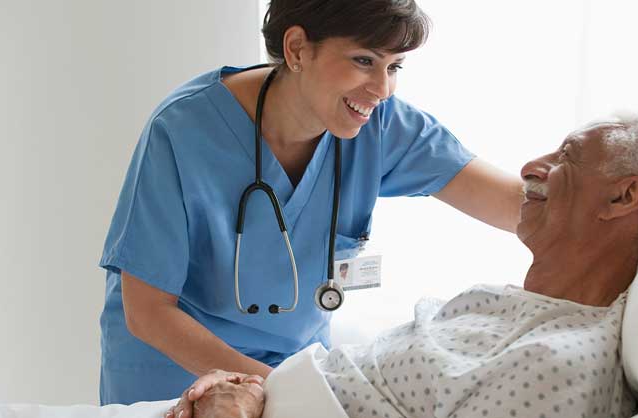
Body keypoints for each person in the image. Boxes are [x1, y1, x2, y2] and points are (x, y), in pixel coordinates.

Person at [98, 0, 523, 405]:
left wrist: (581, 190)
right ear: (297, 48)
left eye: (394, 67)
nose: (382, 88)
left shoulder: (382, 125)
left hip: (293, 371)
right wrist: (287, 391)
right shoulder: (184, 130)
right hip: (178, 375)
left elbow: (512, 205)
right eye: (364, 60)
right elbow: (149, 312)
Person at [166, 115, 638, 418]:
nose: (530, 166)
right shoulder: (503, 304)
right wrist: (247, 389)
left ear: (623, 197)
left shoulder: (558, 363)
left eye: (567, 156)